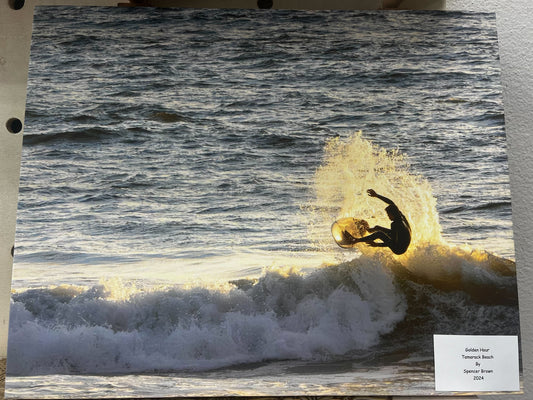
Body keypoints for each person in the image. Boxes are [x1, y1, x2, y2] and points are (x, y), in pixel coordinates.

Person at [345, 189, 411, 255]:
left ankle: (355, 240)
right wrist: (377, 195)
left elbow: (391, 243)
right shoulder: (400, 216)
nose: (388, 217)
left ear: (393, 214)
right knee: (378, 228)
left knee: (379, 234)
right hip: (402, 240)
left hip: (399, 249)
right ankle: (369, 230)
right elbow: (391, 203)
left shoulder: (395, 224)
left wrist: (377, 244)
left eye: (389, 215)